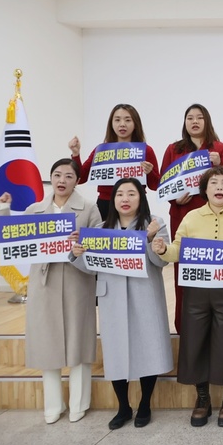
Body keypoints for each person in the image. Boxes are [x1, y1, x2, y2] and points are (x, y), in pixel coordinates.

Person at [0, 158, 101, 424]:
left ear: (77, 180)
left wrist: (82, 242)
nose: (62, 180)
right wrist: (3, 208)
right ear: (50, 178)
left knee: (79, 344)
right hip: (44, 284)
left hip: (77, 282)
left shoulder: (88, 208)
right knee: (47, 345)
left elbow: (99, 243)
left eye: (68, 176)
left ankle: (79, 403)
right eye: (57, 175)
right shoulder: (36, 209)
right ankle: (53, 405)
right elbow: (11, 237)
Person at [152, 166, 223, 428]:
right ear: (205, 189)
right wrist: (164, 249)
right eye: (214, 183)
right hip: (196, 291)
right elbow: (178, 249)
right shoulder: (190, 217)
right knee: (195, 340)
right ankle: (202, 397)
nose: (219, 187)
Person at [70, 178, 172, 430]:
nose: (125, 199)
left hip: (144, 294)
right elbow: (87, 267)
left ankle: (145, 404)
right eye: (120, 195)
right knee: (116, 353)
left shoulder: (154, 224)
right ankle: (123, 407)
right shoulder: (101, 229)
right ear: (113, 200)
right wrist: (76, 253)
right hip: (111, 297)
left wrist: (151, 241)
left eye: (131, 194)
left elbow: (161, 262)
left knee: (148, 348)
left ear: (141, 198)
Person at [161, 103, 223, 334]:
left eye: (199, 117)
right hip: (182, 215)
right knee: (183, 267)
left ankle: (215, 323)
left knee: (212, 266)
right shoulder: (174, 149)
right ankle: (184, 326)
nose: (194, 121)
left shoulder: (220, 149)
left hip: (215, 218)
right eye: (189, 117)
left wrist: (219, 165)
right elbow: (164, 184)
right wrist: (174, 200)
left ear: (207, 121)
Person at [68, 104, 160, 220]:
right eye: (117, 120)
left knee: (135, 238)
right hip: (105, 204)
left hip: (135, 205)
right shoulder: (102, 150)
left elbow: (155, 185)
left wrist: (149, 172)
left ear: (135, 124)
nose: (122, 124)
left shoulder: (145, 150)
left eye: (127, 120)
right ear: (111, 124)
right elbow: (81, 178)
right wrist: (76, 154)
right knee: (104, 238)